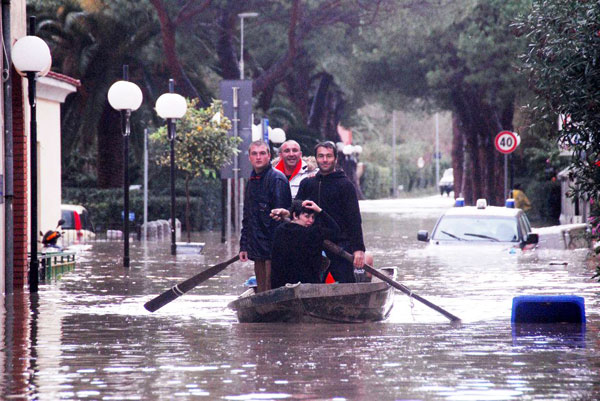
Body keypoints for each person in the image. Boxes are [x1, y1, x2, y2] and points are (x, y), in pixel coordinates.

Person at [296, 141, 366, 283]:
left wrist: (358, 249)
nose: (325, 160)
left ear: (335, 159)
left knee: (346, 285)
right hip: (313, 245)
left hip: (340, 246)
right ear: (316, 158)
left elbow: (354, 219)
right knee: (311, 283)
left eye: (329, 156)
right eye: (321, 156)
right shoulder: (307, 184)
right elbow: (296, 208)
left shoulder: (345, 185)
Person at [240, 140, 292, 293]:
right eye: (254, 154)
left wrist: (278, 250)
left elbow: (282, 221)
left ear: (269, 156)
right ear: (249, 157)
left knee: (272, 289)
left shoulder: (277, 180)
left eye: (262, 153)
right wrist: (244, 245)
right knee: (263, 289)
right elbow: (248, 217)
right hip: (257, 250)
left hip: (273, 251)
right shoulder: (252, 181)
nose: (258, 157)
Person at [269, 199, 340, 289]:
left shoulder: (279, 230)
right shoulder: (312, 233)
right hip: (308, 286)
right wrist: (320, 210)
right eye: (307, 216)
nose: (310, 221)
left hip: (281, 286)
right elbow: (335, 230)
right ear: (295, 215)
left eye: (313, 217)